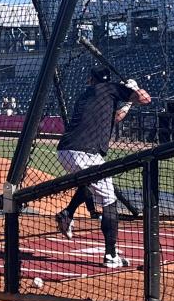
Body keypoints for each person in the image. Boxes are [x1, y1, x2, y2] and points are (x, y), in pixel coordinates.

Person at [55, 65, 151, 268]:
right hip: (85, 152)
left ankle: (67, 213)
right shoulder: (109, 89)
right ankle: (110, 255)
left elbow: (115, 118)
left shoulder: (88, 95)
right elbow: (146, 99)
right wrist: (132, 90)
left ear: (92, 79)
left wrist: (126, 99)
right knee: (109, 200)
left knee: (90, 183)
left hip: (69, 151)